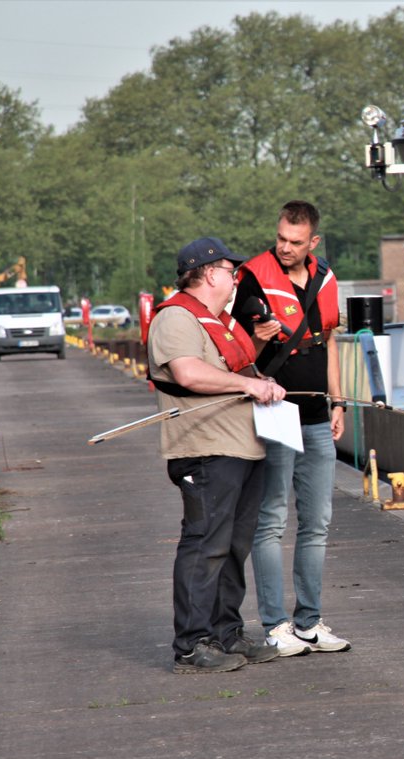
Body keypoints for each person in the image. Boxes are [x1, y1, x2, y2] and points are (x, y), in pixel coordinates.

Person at [149, 237, 287, 674]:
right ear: (210, 273)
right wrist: (249, 386)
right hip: (206, 451)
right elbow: (188, 373)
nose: (235, 280)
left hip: (242, 447)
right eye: (231, 272)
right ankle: (191, 645)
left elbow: (236, 369)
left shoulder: (217, 321)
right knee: (205, 544)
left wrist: (261, 381)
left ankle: (226, 633)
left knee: (233, 547)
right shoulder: (176, 317)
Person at [233, 201, 351, 657]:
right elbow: (235, 345)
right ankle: (274, 624)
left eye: (295, 242)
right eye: (281, 237)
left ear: (312, 242)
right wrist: (256, 337)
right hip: (274, 411)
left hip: (319, 412)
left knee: (317, 521)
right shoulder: (253, 276)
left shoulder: (326, 277)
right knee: (272, 519)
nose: (285, 247)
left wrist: (338, 401)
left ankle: (309, 621)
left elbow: (331, 342)